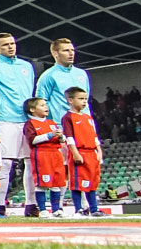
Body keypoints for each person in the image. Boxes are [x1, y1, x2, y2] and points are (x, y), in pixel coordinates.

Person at [0, 32, 37, 215]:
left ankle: (31, 204)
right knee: (4, 164)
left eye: (12, 43)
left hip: (27, 121)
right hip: (5, 121)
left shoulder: (26, 66)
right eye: (5, 45)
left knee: (31, 162)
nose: (10, 47)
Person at [63, 87, 103, 217]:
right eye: (80, 99)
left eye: (85, 99)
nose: (84, 101)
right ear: (70, 100)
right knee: (77, 183)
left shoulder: (88, 117)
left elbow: (94, 135)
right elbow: (69, 137)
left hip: (92, 153)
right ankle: (79, 209)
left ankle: (94, 209)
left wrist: (99, 150)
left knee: (92, 182)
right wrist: (75, 153)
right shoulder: (68, 117)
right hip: (79, 151)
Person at [25, 97, 68, 215]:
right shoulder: (30, 124)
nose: (46, 107)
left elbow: (62, 140)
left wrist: (60, 137)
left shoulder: (51, 123)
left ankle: (56, 209)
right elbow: (32, 140)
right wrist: (49, 135)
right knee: (42, 184)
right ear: (32, 109)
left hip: (55, 154)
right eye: (42, 105)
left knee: (56, 184)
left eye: (46, 105)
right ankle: (43, 210)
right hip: (41, 154)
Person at [36, 38, 91, 126]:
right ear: (55, 53)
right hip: (62, 126)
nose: (71, 53)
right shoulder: (48, 76)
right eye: (66, 50)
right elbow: (40, 103)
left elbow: (86, 98)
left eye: (72, 50)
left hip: (85, 123)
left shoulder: (82, 73)